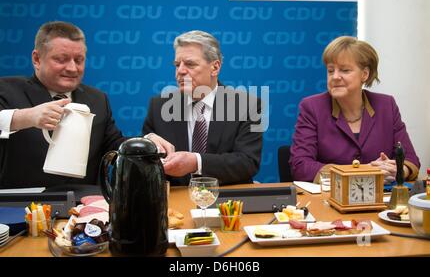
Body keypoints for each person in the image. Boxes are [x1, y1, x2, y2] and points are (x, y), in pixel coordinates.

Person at [0, 21, 126, 188]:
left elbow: (114, 145)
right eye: (61, 59)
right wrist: (26, 117)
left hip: (82, 205)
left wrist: (147, 142)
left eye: (79, 60)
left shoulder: (97, 99)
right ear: (37, 59)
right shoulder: (6, 90)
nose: (73, 68)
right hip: (21, 205)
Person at [290, 36, 420, 184]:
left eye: (344, 70)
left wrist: (398, 170)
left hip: (382, 198)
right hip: (329, 200)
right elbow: (300, 165)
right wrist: (362, 172)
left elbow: (411, 160)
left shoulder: (386, 105)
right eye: (331, 71)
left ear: (365, 74)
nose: (335, 77)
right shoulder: (312, 107)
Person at [142, 30, 263, 186]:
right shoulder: (159, 106)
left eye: (190, 64)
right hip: (175, 202)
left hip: (225, 202)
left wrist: (196, 162)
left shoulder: (247, 105)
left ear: (215, 67)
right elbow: (145, 163)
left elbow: (248, 162)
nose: (180, 71)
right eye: (177, 65)